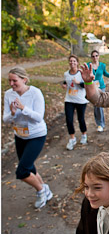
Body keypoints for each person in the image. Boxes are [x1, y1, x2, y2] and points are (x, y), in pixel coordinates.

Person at [4, 67, 53, 209]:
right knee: (29, 166)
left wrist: (23, 108)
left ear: (24, 80)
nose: (11, 84)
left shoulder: (35, 93)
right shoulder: (8, 94)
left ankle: (41, 190)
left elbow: (38, 117)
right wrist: (13, 113)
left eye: (15, 81)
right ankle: (45, 189)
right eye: (9, 81)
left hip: (36, 135)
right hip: (19, 135)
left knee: (22, 171)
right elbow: (6, 120)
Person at [75, 152, 109, 234]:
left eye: (97, 188)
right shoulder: (88, 203)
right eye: (86, 187)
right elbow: (81, 233)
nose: (89, 194)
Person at [64, 56, 89, 150]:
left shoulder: (81, 73)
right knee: (69, 119)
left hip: (81, 100)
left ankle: (84, 135)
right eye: (70, 61)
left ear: (77, 62)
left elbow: (86, 85)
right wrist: (64, 84)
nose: (72, 62)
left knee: (80, 118)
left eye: (74, 61)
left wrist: (78, 82)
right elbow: (66, 81)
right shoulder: (66, 73)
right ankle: (72, 138)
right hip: (69, 99)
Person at [88, 50, 109, 133]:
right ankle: (99, 122)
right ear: (91, 57)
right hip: (92, 87)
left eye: (96, 55)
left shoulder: (102, 65)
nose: (95, 57)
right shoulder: (89, 65)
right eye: (93, 56)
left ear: (98, 56)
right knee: (95, 106)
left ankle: (100, 124)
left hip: (101, 87)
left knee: (99, 105)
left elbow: (105, 73)